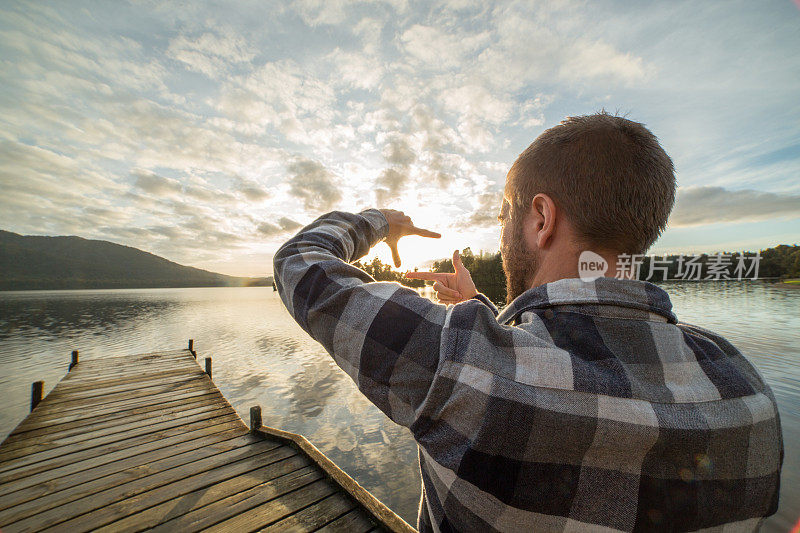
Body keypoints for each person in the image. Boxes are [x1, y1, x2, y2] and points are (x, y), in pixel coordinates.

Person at [273, 112, 783, 532]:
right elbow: (568, 373)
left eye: (504, 214)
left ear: (541, 219)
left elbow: (300, 263)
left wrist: (382, 221)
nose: (502, 230)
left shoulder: (460, 366)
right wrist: (487, 316)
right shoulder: (747, 390)